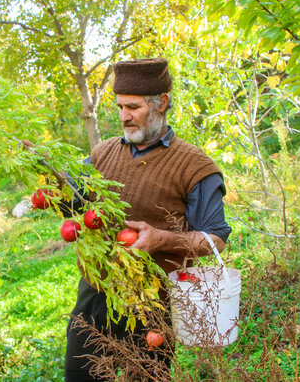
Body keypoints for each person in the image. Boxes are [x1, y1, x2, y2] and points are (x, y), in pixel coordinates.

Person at [64, 58, 232, 381]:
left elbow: (215, 239)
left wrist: (162, 239)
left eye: (133, 107)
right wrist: (49, 173)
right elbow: (73, 202)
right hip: (94, 298)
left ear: (162, 103)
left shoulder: (195, 167)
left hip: (151, 309)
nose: (124, 116)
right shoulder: (102, 153)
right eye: (120, 107)